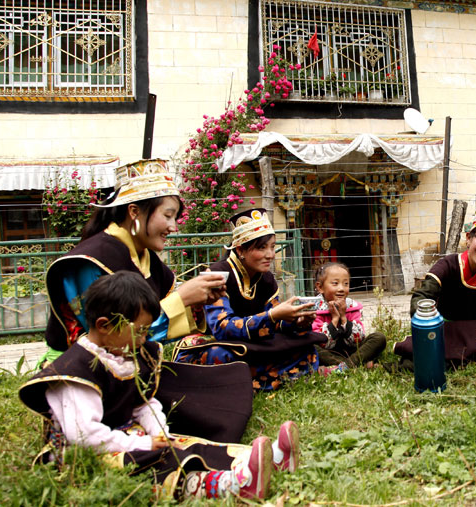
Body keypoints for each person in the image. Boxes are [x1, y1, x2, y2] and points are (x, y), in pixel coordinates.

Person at [19, 272, 302, 500]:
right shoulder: (77, 372)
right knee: (155, 465)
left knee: (185, 444)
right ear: (105, 325)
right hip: (87, 454)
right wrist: (143, 443)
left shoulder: (125, 353)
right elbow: (85, 436)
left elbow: (144, 402)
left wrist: (158, 432)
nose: (145, 339)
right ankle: (229, 484)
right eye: (140, 330)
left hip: (123, 436)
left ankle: (265, 459)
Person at [42, 159, 225, 359]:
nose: (173, 227)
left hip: (131, 363)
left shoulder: (148, 260)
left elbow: (149, 337)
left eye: (175, 218)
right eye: (167, 216)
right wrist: (181, 299)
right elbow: (110, 340)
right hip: (82, 367)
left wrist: (195, 303)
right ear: (134, 212)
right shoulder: (91, 261)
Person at [172, 208, 327, 391]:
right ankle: (263, 379)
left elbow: (277, 322)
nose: (270, 254)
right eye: (262, 248)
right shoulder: (217, 275)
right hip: (216, 343)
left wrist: (296, 321)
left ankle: (245, 381)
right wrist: (272, 316)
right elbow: (222, 329)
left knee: (305, 348)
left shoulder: (267, 279)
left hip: (251, 344)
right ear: (240, 250)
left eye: (272, 247)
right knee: (222, 355)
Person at [395, 206, 476, 365]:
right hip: (446, 330)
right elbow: (421, 298)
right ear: (468, 238)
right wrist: (429, 326)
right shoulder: (447, 266)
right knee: (431, 344)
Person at [311, 262, 387, 370]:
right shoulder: (315, 309)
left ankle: (345, 366)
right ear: (320, 287)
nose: (341, 288)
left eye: (346, 284)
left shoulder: (352, 306)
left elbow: (359, 338)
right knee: (310, 345)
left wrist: (343, 318)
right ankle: (352, 364)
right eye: (335, 283)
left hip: (353, 350)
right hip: (328, 352)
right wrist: (334, 320)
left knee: (379, 338)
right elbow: (321, 342)